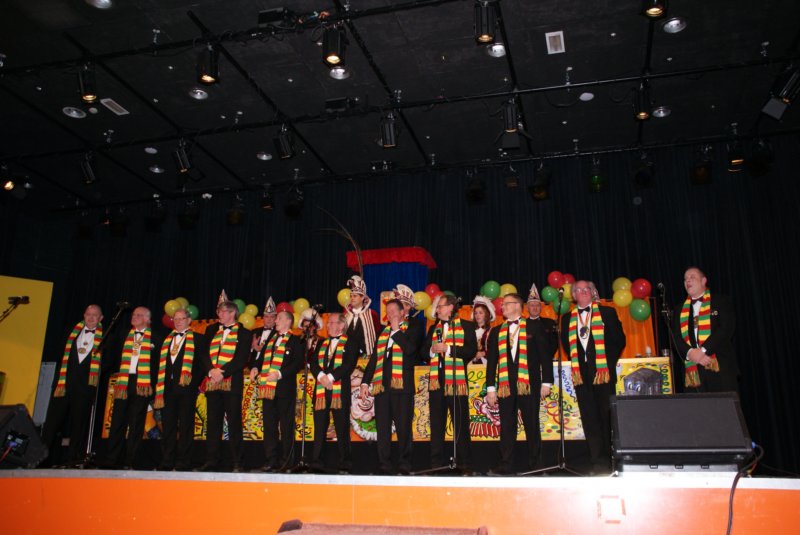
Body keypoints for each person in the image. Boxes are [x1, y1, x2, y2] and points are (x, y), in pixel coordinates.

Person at [559, 280, 626, 473]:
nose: (582, 292)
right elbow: (566, 345)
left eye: (586, 289)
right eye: (578, 290)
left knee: (607, 417)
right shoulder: (567, 318)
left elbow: (619, 340)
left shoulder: (607, 313)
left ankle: (613, 460)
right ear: (573, 295)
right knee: (589, 420)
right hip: (581, 376)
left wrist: (606, 363)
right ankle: (598, 463)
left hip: (603, 375)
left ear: (593, 292)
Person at [485, 293, 553, 475]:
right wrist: (490, 388)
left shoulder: (534, 326)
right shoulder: (497, 331)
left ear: (517, 305)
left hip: (529, 383)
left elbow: (545, 356)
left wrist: (547, 382)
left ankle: (536, 465)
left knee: (532, 423)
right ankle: (506, 464)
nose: (502, 307)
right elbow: (492, 362)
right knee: (507, 425)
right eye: (502, 304)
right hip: (505, 385)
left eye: (506, 304)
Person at [360, 298, 423, 474]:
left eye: (393, 311)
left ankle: (405, 463)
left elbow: (410, 350)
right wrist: (365, 382)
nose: (390, 315)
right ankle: (384, 464)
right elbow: (374, 359)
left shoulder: (413, 328)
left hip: (402, 385)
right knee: (382, 427)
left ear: (403, 312)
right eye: (387, 312)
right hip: (381, 386)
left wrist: (396, 331)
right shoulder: (383, 332)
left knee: (403, 427)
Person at [41, 304, 105, 467]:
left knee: (79, 425)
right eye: (88, 314)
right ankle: (41, 457)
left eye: (95, 315)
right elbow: (60, 353)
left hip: (85, 388)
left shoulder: (106, 336)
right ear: (84, 315)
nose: (91, 318)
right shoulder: (70, 332)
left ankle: (72, 459)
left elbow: (108, 361)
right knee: (52, 423)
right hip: (63, 384)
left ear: (101, 318)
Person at [421, 294, 477, 472]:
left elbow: (471, 350)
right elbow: (422, 352)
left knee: (460, 422)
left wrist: (449, 349)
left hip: (456, 380)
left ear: (451, 307)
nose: (437, 309)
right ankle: (436, 464)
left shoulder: (466, 326)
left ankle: (464, 463)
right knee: (436, 423)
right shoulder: (433, 328)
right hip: (437, 382)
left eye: (440, 306)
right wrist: (432, 350)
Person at [197, 290, 250, 472]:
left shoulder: (244, 333)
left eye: (222, 311)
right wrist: (211, 370)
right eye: (218, 311)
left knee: (234, 423)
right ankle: (212, 460)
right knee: (213, 422)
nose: (219, 314)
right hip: (212, 381)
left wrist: (223, 372)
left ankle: (238, 462)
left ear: (233, 313)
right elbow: (203, 353)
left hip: (231, 383)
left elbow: (241, 358)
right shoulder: (211, 330)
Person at [103, 306, 159, 469]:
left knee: (136, 422)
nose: (134, 317)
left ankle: (131, 460)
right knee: (117, 420)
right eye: (133, 314)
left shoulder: (156, 337)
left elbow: (158, 363)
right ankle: (112, 458)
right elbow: (113, 356)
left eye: (139, 315)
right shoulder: (122, 335)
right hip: (124, 381)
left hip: (142, 382)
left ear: (147, 319)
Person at [673, 267, 738, 393]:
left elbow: (725, 329)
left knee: (723, 405)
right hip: (693, 371)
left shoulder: (721, 301)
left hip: (720, 368)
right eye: (685, 279)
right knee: (696, 405)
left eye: (692, 277)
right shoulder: (679, 309)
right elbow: (676, 337)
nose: (688, 281)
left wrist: (702, 351)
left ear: (703, 281)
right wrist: (691, 353)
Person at [253, 310, 304, 472]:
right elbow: (261, 358)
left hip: (284, 389)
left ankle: (287, 461)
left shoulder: (296, 340)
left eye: (279, 318)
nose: (275, 321)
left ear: (288, 321)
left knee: (286, 426)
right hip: (267, 389)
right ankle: (271, 460)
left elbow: (298, 363)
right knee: (269, 426)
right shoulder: (271, 338)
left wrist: (280, 374)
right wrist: (255, 367)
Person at [308, 313, 358, 473]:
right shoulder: (321, 342)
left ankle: (345, 462)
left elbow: (348, 365)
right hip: (321, 392)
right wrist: (321, 377)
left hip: (339, 391)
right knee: (319, 428)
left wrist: (330, 377)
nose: (328, 325)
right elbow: (313, 363)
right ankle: (317, 461)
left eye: (331, 322)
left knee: (342, 428)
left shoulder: (350, 342)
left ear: (341, 325)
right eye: (328, 322)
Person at [154, 308, 199, 471]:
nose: (178, 321)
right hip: (167, 388)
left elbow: (201, 365)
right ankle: (167, 460)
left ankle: (183, 461)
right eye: (176, 319)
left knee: (186, 426)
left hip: (186, 388)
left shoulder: (197, 338)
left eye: (182, 318)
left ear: (189, 320)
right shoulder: (166, 339)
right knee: (168, 426)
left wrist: (192, 382)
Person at [344, 275, 380, 361]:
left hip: (365, 356)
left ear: (362, 297)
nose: (352, 298)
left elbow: (378, 335)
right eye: (351, 296)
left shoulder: (372, 314)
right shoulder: (346, 315)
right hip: (347, 356)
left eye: (355, 296)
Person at [393, 284, 426, 364]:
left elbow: (411, 350)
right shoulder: (389, 324)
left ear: (408, 307)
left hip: (407, 367)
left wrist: (396, 330)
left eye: (399, 304)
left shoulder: (416, 324)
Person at [527, 284, 558, 360]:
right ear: (527, 308)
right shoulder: (522, 324)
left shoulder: (549, 323)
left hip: (546, 360)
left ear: (541, 308)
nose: (535, 308)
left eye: (537, 305)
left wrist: (547, 357)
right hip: (527, 361)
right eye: (532, 305)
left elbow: (554, 342)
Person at [471, 295, 495, 364]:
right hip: (471, 365)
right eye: (475, 313)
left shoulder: (492, 331)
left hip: (486, 364)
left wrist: (484, 353)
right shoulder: (470, 331)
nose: (477, 315)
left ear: (486, 315)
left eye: (480, 313)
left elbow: (496, 349)